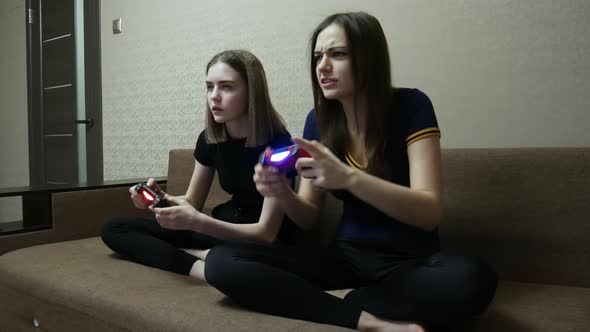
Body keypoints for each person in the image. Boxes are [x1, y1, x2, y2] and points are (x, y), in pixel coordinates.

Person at [204, 12, 497, 331]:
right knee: (222, 262)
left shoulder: (411, 106)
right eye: (318, 57)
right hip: (344, 260)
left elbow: (429, 212)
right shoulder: (318, 121)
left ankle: (345, 300)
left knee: (471, 281)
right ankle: (363, 317)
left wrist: (348, 178)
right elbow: (308, 216)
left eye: (337, 54)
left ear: (368, 58)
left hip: (408, 263)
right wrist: (282, 192)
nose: (322, 66)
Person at [101, 49, 297, 282]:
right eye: (209, 86)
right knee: (114, 228)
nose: (214, 96)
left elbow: (266, 232)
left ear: (252, 93)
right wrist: (161, 199)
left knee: (239, 257)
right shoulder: (210, 138)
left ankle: (207, 258)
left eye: (226, 87)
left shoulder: (279, 144)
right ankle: (199, 266)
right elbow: (193, 202)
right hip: (224, 225)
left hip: (261, 238)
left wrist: (199, 222)